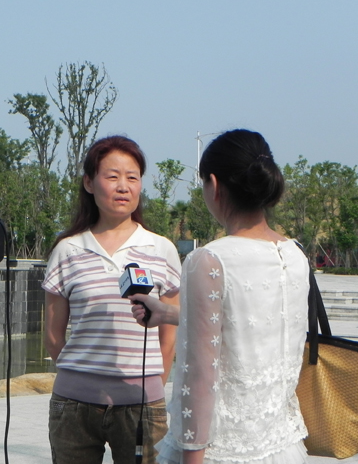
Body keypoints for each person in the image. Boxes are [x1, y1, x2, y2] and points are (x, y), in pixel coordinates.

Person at [131, 129, 309, 464]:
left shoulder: (210, 260)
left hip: (223, 451)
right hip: (282, 445)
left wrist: (191, 456)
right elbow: (243, 325)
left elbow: (199, 375)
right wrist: (165, 313)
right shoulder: (295, 254)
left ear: (213, 185)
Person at [43, 135, 182, 464]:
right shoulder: (68, 249)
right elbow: (52, 332)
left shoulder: (161, 249)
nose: (123, 187)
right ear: (89, 183)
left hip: (142, 405)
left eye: (132, 177)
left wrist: (152, 387)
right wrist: (83, 377)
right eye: (112, 176)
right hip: (73, 408)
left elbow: (170, 334)